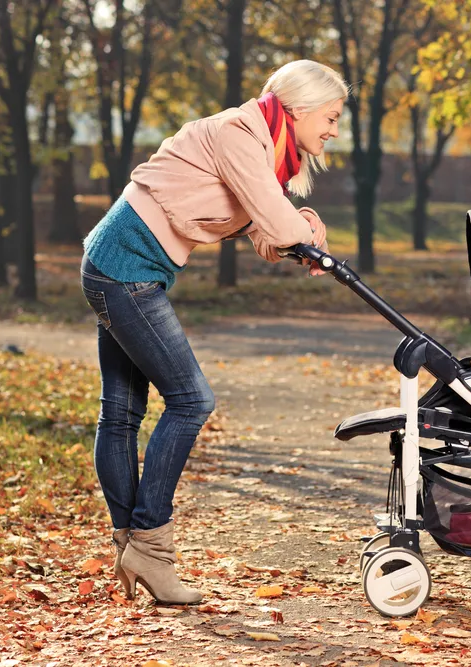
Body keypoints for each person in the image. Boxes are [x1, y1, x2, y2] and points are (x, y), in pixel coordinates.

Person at [79, 60, 348, 605]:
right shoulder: (237, 133)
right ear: (299, 109)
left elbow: (266, 236)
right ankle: (150, 547)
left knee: (122, 412)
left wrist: (302, 232)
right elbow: (277, 221)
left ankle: (132, 547)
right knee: (191, 400)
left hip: (125, 265)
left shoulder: (265, 151)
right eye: (331, 117)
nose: (334, 131)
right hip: (123, 268)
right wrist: (301, 228)